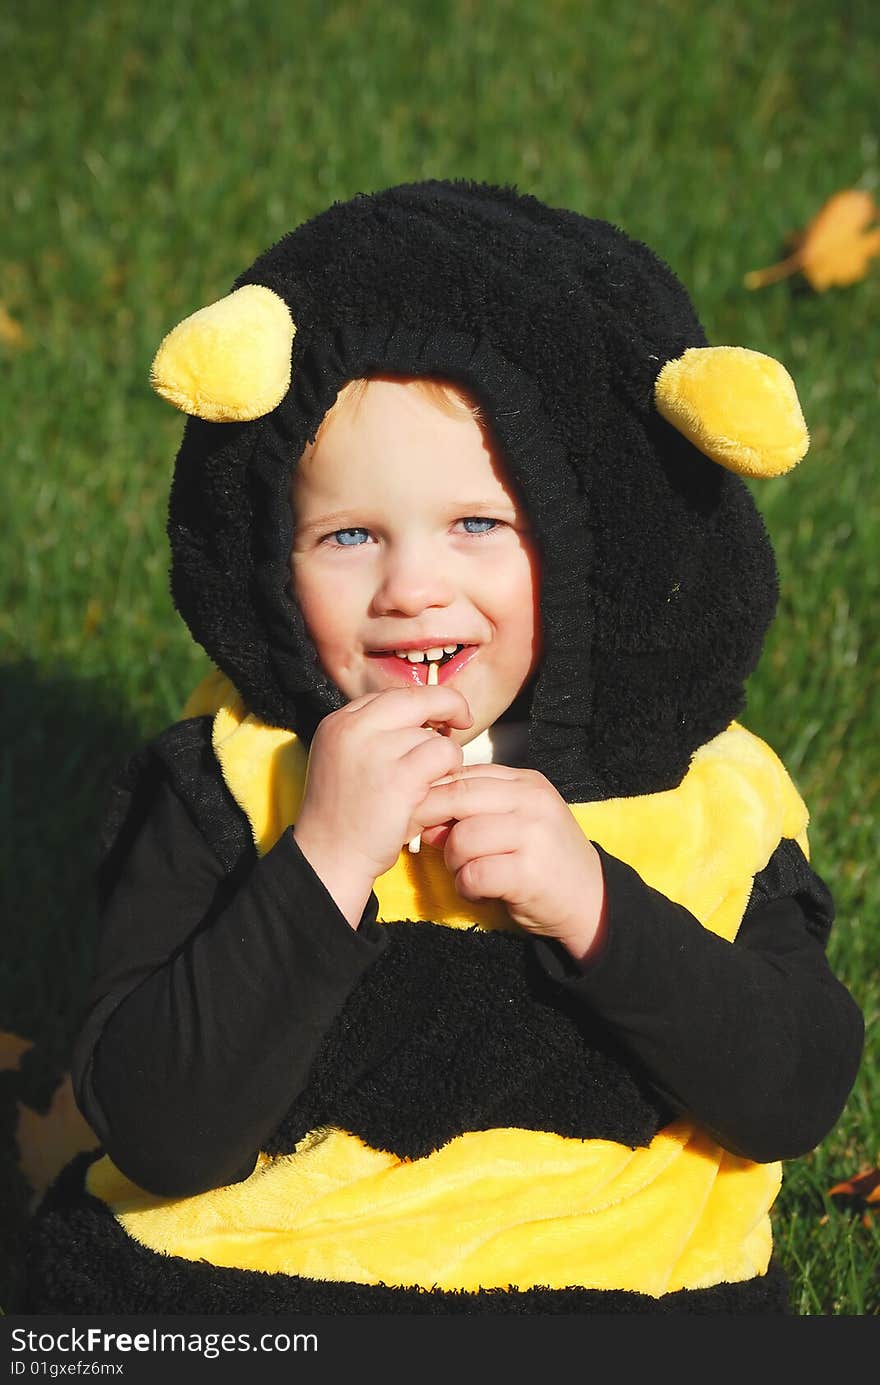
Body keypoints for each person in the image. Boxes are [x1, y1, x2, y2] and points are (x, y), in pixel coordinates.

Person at [24, 180, 863, 1315]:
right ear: (272, 556)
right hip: (259, 1287)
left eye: (477, 524)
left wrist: (595, 903)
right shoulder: (231, 778)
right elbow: (163, 1127)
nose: (412, 587)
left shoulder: (698, 801)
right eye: (349, 534)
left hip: (611, 1284)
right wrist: (319, 859)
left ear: (593, 537)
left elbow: (791, 1091)